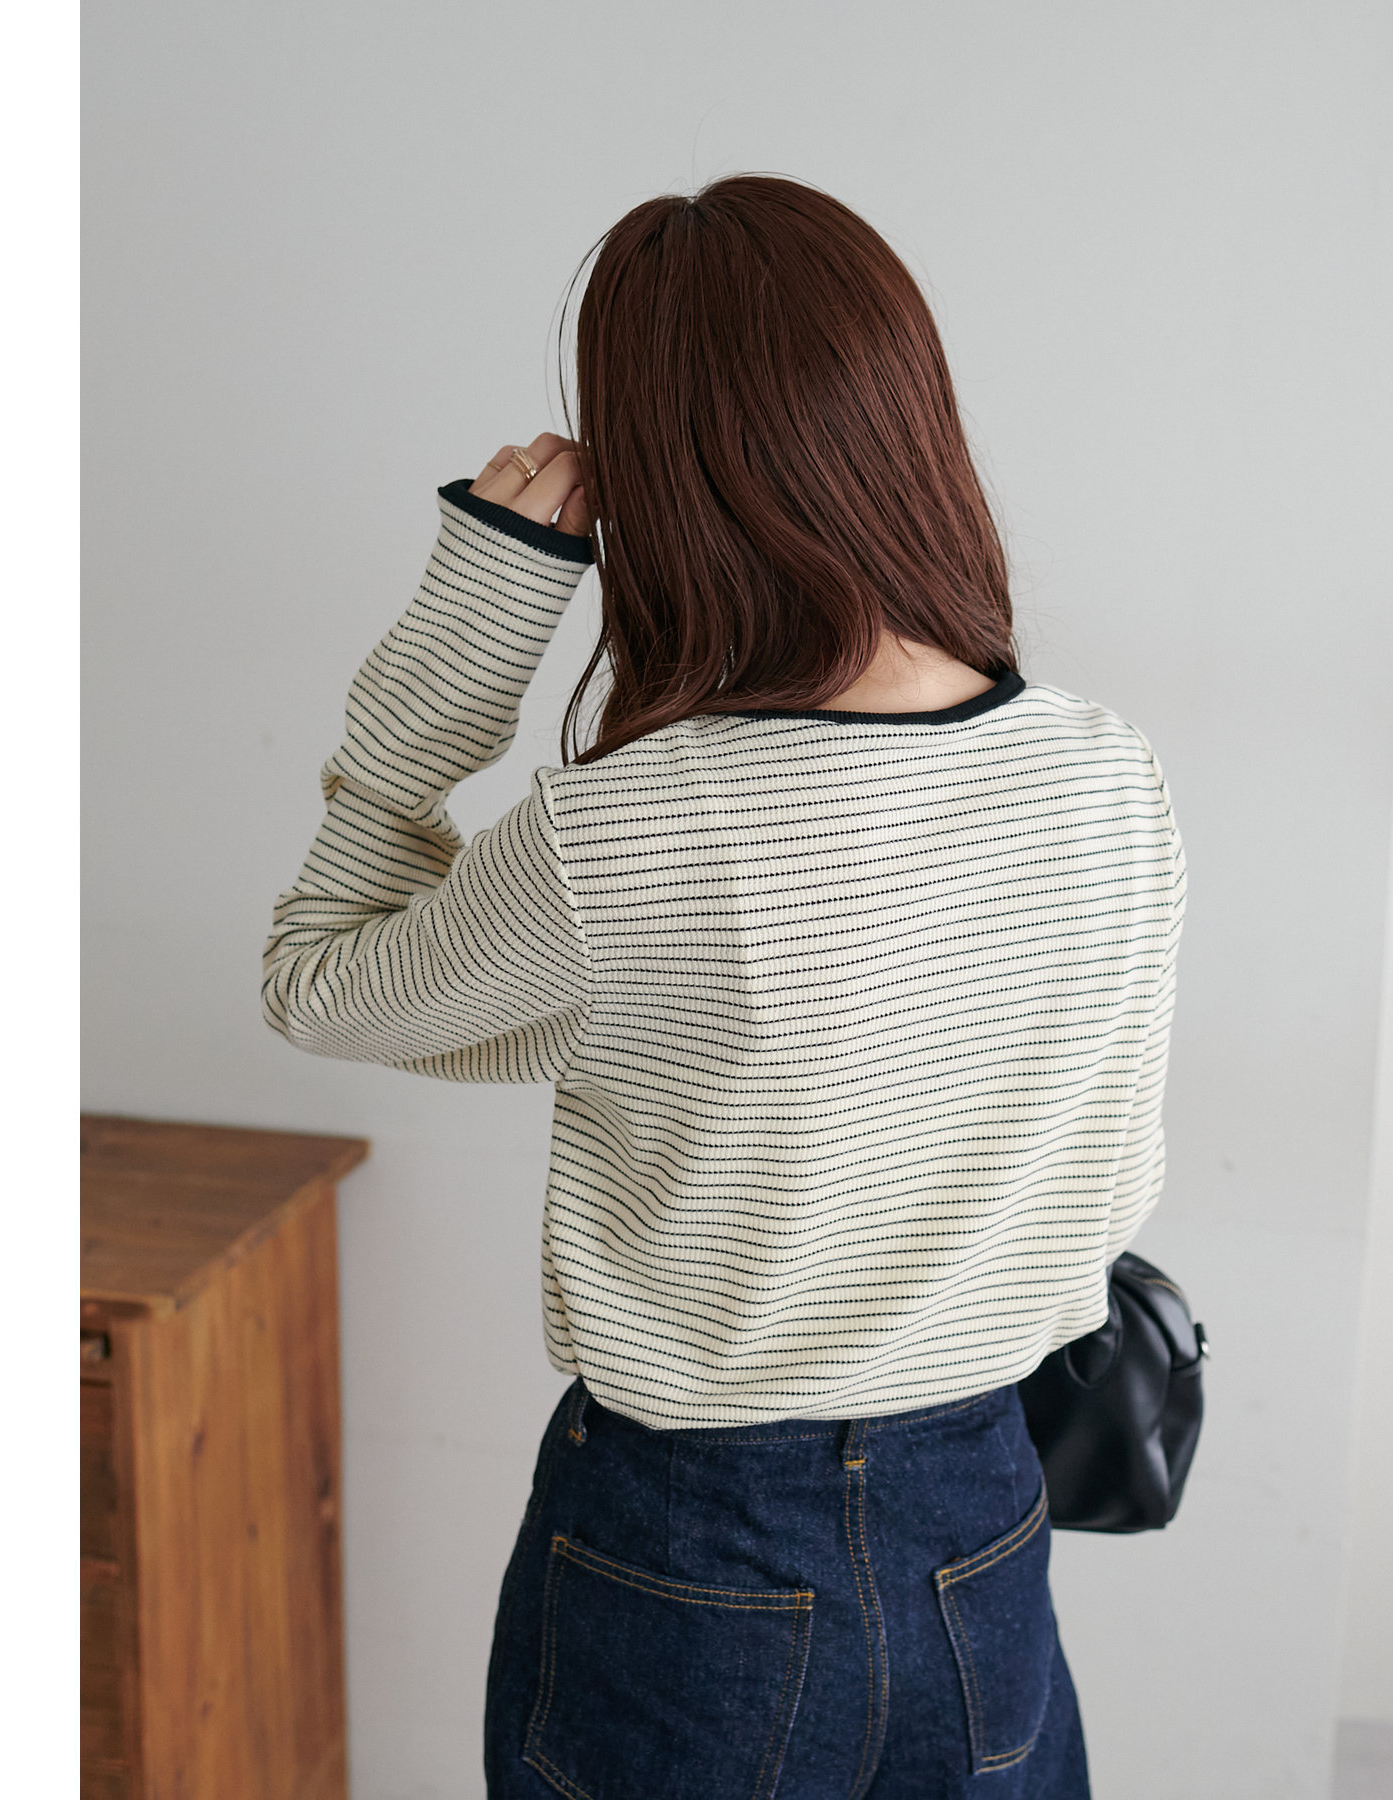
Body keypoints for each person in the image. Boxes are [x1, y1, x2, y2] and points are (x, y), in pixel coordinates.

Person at [263, 174, 1185, 1800]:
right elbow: (1091, 1177)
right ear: (908, 420)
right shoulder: (1105, 777)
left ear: (653, 478)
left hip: (695, 1552)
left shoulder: (638, 831)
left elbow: (321, 981)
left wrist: (482, 611)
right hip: (986, 1517)